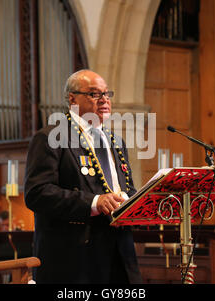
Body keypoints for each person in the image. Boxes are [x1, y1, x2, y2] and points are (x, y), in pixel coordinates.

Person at [24, 69, 142, 284]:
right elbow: (37, 193)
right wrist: (95, 202)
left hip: (119, 251)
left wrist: (136, 201)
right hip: (75, 257)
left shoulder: (115, 141)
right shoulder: (51, 137)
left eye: (107, 94)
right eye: (95, 94)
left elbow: (127, 188)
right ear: (72, 98)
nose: (104, 100)